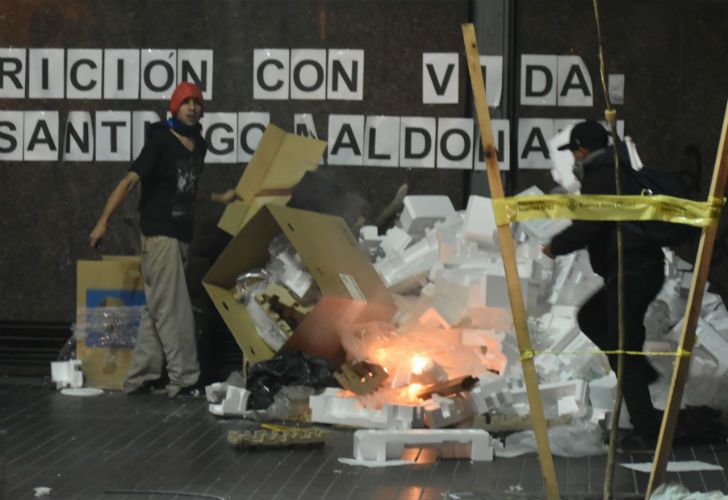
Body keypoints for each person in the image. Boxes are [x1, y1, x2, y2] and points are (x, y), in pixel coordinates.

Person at [89, 82, 239, 398]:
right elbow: (129, 181)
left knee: (157, 305)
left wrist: (218, 196)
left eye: (197, 102)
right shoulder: (160, 139)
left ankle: (141, 376)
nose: (193, 107)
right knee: (174, 308)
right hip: (160, 234)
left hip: (183, 234)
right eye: (186, 102)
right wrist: (103, 221)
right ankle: (184, 378)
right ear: (174, 107)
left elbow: (185, 188)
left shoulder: (199, 144)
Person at [542, 120, 665, 449]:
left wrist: (555, 246)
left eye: (575, 151)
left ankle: (647, 429)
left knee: (622, 347)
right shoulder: (618, 168)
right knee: (595, 321)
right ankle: (640, 378)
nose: (574, 159)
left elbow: (589, 226)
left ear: (582, 149)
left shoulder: (601, 175)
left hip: (633, 272)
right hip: (638, 271)